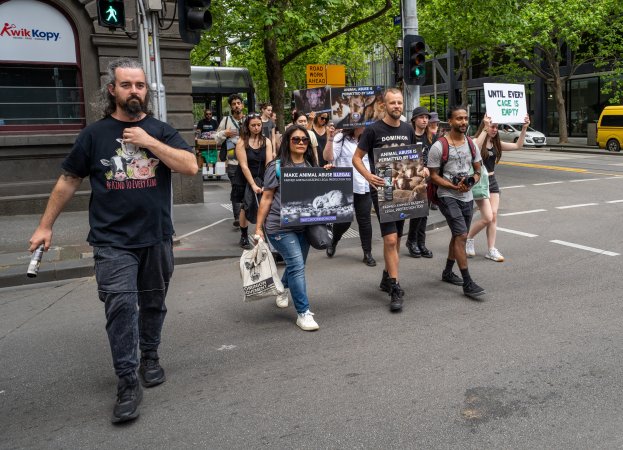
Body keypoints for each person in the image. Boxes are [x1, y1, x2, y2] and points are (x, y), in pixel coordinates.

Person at [28, 58, 198, 423]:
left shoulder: (160, 130)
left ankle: (150, 356)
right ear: (112, 89)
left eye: (139, 85)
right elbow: (68, 181)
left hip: (155, 237)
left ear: (145, 91)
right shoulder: (94, 135)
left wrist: (149, 141)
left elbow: (190, 166)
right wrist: (45, 227)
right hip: (111, 241)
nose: (134, 91)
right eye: (126, 85)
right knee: (120, 308)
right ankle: (126, 380)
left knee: (153, 304)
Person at [353, 88, 417, 313]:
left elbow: (413, 159)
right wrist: (368, 176)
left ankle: (387, 276)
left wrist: (422, 172)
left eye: (400, 103)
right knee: (390, 240)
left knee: (397, 238)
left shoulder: (408, 129)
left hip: (403, 188)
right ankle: (395, 288)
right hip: (383, 190)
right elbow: (356, 158)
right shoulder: (373, 130)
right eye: (393, 103)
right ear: (384, 106)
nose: (397, 106)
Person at [255, 125, 325, 331]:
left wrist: (326, 175)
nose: (301, 143)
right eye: (296, 139)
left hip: (304, 226)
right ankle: (303, 313)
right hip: (279, 226)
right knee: (296, 266)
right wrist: (258, 228)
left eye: (305, 139)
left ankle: (282, 288)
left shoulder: (311, 166)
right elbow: (266, 198)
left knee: (297, 266)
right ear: (287, 142)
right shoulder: (276, 167)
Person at [427, 105, 485, 300]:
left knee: (458, 235)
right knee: (461, 234)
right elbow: (433, 176)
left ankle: (447, 272)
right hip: (447, 196)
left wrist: (472, 181)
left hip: (467, 197)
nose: (463, 122)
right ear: (450, 121)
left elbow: (478, 170)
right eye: (459, 119)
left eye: (465, 118)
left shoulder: (471, 144)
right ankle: (467, 282)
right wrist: (452, 187)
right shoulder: (439, 146)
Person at [466, 113, 530, 262]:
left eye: (496, 127)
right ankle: (468, 238)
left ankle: (491, 249)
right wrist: (485, 127)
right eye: (492, 127)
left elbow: (518, 145)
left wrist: (524, 128)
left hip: (492, 181)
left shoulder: (496, 144)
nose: (495, 130)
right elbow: (474, 147)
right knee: (487, 217)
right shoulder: (478, 140)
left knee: (493, 216)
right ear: (486, 126)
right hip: (480, 182)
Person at [323, 126, 376, 267]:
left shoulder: (371, 136)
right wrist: (330, 138)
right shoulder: (341, 138)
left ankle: (367, 253)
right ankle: (334, 240)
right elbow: (328, 158)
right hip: (345, 186)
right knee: (344, 221)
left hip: (364, 185)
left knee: (364, 221)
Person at [235, 113, 274, 248]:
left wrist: (267, 182)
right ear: (248, 126)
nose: (256, 127)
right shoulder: (241, 142)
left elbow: (269, 163)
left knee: (265, 204)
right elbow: (244, 165)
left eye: (258, 125)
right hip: (245, 177)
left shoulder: (266, 141)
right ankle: (244, 236)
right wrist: (252, 184)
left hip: (262, 176)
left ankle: (263, 233)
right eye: (253, 125)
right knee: (246, 206)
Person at [405, 106, 433, 259]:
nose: (424, 120)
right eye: (421, 117)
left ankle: (421, 243)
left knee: (424, 213)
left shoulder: (430, 137)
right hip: (413, 180)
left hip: (427, 181)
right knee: (416, 212)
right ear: (414, 119)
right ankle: (411, 241)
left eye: (427, 117)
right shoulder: (409, 136)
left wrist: (428, 169)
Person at [215, 94, 245, 228]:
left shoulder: (248, 119)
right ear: (231, 106)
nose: (236, 105)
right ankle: (238, 218)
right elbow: (216, 138)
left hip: (248, 161)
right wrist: (224, 134)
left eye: (238, 103)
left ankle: (246, 213)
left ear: (242, 105)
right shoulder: (226, 120)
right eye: (234, 104)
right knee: (236, 188)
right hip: (233, 162)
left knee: (247, 188)